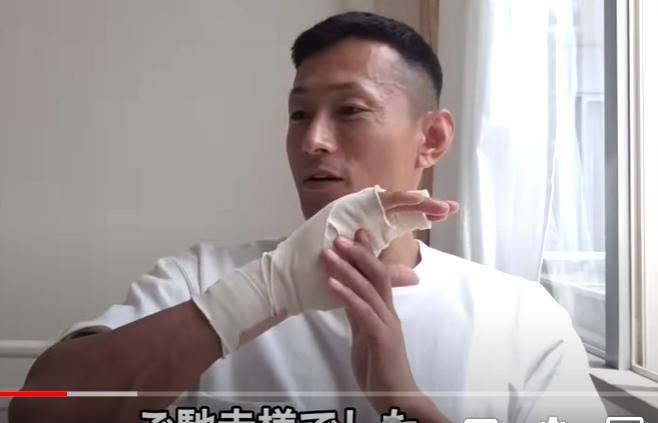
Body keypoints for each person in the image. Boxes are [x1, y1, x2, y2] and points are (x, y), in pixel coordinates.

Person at [8, 11, 608, 423]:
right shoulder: (202, 277)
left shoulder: (520, 316)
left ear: (431, 139)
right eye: (299, 115)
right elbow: (38, 410)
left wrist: (405, 406)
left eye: (351, 110)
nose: (313, 140)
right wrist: (253, 298)